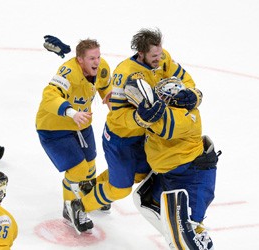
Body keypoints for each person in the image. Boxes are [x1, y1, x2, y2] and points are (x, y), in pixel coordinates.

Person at [64, 27, 199, 233]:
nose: (159, 59)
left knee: (137, 175)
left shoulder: (163, 59)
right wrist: (139, 118)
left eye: (160, 53)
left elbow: (186, 80)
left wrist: (190, 94)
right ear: (141, 53)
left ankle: (91, 188)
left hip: (144, 138)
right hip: (120, 139)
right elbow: (117, 116)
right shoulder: (124, 73)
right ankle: (80, 206)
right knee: (121, 188)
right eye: (154, 56)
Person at [132, 77, 218, 249]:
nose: (160, 100)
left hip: (192, 176)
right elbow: (132, 86)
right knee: (145, 200)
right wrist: (141, 117)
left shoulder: (188, 115)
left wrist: (142, 118)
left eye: (163, 97)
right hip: (170, 174)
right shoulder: (164, 111)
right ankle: (181, 237)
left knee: (188, 232)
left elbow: (166, 127)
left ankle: (194, 239)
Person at [35, 38, 112, 233]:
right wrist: (72, 113)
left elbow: (104, 85)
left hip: (81, 123)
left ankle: (89, 198)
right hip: (55, 127)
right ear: (79, 60)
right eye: (91, 58)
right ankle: (70, 208)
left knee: (90, 166)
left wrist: (109, 96)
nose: (97, 61)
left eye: (98, 56)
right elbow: (49, 96)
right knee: (77, 169)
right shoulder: (67, 73)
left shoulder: (102, 68)